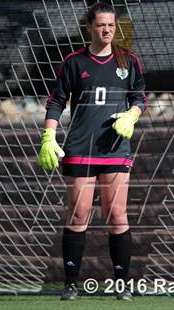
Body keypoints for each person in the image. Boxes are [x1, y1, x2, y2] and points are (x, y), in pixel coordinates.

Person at [37, 2, 146, 301]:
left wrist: (131, 115)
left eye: (111, 25)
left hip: (114, 150)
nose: (107, 30)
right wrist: (49, 135)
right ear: (89, 27)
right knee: (78, 215)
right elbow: (57, 100)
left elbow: (140, 97)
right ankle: (71, 284)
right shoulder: (73, 62)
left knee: (117, 215)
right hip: (79, 150)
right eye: (101, 25)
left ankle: (121, 285)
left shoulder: (128, 60)